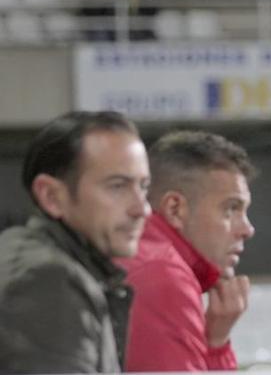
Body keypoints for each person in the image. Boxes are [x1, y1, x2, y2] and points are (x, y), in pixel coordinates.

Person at [0, 111, 151, 372]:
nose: (142, 209)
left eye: (143, 186)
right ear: (51, 196)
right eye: (117, 186)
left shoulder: (35, 259)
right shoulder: (46, 279)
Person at [118, 131, 257, 371]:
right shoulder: (162, 274)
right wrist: (216, 349)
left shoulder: (142, 256)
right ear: (175, 209)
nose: (247, 229)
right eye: (231, 209)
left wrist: (214, 340)